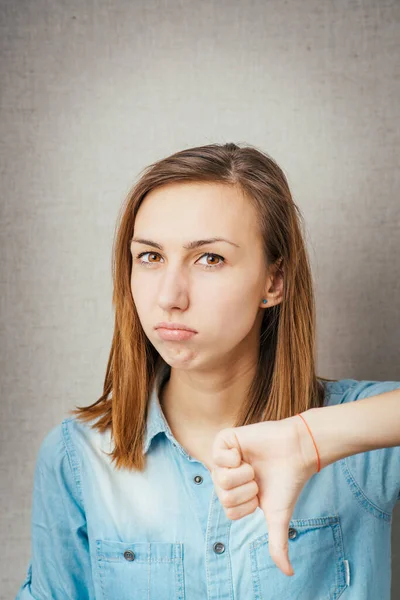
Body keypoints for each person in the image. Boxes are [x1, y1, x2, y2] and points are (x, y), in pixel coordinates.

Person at [16, 142, 400, 600]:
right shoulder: (76, 457)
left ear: (273, 281)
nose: (170, 296)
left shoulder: (363, 442)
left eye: (209, 258)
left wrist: (307, 440)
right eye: (151, 257)